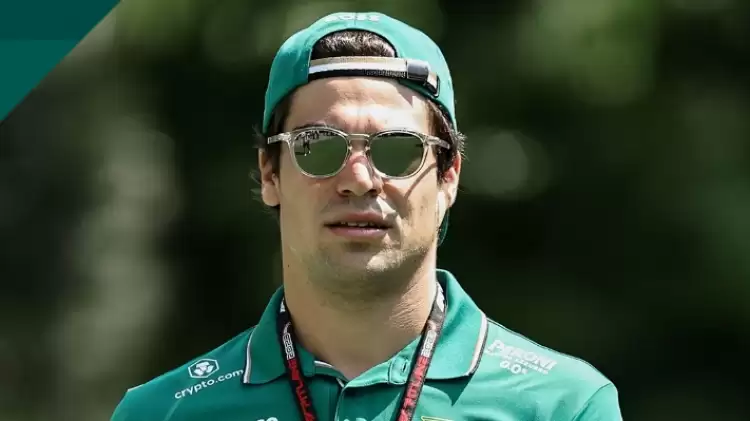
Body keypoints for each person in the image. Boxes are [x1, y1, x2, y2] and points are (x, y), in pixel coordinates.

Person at [110, 11, 623, 421]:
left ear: (449, 177)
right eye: (318, 146)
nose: (358, 178)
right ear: (270, 173)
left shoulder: (562, 406)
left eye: (398, 149)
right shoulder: (162, 412)